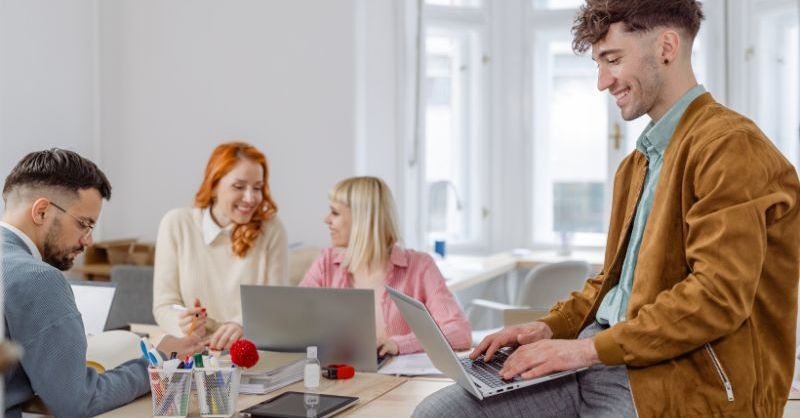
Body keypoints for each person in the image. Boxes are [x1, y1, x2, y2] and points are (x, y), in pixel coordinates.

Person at [412, 0, 800, 417]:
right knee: (438, 413)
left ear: (666, 48)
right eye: (599, 63)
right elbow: (612, 286)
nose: (602, 81)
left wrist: (584, 351)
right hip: (601, 358)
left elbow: (716, 297)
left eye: (612, 59)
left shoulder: (729, 147)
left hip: (676, 379)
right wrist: (549, 327)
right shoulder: (638, 164)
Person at [1, 148, 203, 418]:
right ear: (41, 212)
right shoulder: (39, 279)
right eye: (84, 224)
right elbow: (77, 402)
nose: (88, 240)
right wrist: (157, 361)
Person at [300, 176, 471, 356]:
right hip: (340, 375)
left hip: (398, 380)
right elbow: (296, 317)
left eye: (335, 213)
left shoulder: (420, 266)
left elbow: (459, 332)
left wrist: (399, 344)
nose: (326, 220)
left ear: (362, 219)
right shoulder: (326, 262)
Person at [153, 141, 289, 351]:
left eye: (258, 188)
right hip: (194, 350)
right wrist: (183, 321)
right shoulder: (177, 224)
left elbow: (277, 304)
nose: (250, 198)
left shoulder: (271, 229)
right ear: (214, 185)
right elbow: (164, 305)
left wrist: (241, 323)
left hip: (247, 352)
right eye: (239, 186)